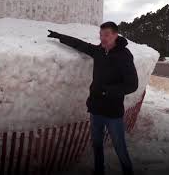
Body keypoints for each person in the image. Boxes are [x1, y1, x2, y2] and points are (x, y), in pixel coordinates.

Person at [47, 22, 138, 175]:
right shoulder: (99, 51)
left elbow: (132, 85)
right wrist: (60, 36)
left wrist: (107, 91)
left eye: (107, 35)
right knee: (96, 145)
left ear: (116, 35)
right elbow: (81, 45)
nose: (103, 38)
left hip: (113, 112)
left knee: (119, 146)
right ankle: (98, 170)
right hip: (95, 109)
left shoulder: (124, 55)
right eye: (101, 35)